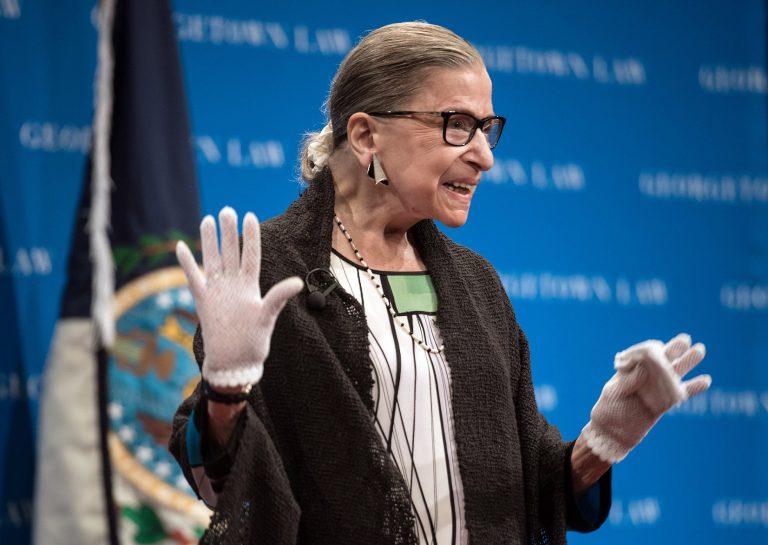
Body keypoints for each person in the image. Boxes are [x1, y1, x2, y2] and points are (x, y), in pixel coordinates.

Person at [169, 22, 711, 545]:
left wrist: (604, 442)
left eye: (487, 127)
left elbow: (530, 493)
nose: (485, 156)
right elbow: (230, 488)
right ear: (365, 136)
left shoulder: (476, 285)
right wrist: (225, 391)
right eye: (457, 124)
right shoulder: (270, 271)